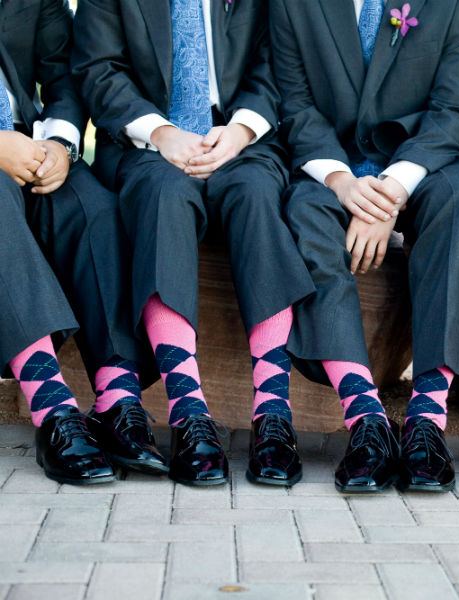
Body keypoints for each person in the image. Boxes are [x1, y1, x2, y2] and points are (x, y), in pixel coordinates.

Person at [72, 0, 316, 486]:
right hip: (145, 146)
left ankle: (273, 414)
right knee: (164, 196)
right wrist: (160, 132)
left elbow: (274, 62)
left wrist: (242, 130)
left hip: (237, 139)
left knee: (257, 196)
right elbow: (97, 69)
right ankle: (188, 412)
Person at [270, 0, 459, 492]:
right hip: (333, 164)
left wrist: (391, 190)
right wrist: (342, 182)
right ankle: (365, 417)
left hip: (420, 162)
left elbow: (454, 109)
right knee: (303, 211)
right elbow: (296, 105)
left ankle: (427, 421)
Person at [0, 0, 163, 484]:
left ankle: (117, 399)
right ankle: (52, 409)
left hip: (26, 149)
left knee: (92, 204)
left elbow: (62, 74)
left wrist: (59, 144)